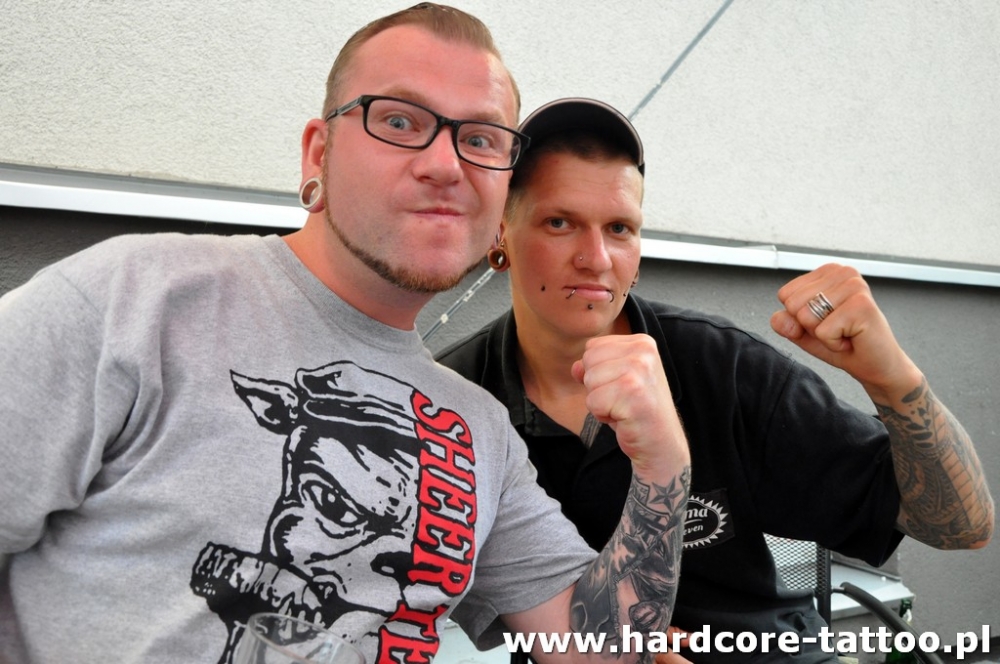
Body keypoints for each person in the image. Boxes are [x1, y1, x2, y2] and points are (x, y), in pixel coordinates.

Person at [0, 7, 691, 664]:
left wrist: (664, 469)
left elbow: (600, 647)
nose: (446, 165)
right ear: (318, 154)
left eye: (481, 139)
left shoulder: (480, 431)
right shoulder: (133, 302)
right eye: (399, 120)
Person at [435, 97, 995, 663]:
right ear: (501, 232)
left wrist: (893, 378)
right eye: (560, 223)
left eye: (620, 228)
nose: (597, 257)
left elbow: (961, 527)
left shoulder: (720, 363)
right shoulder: (455, 404)